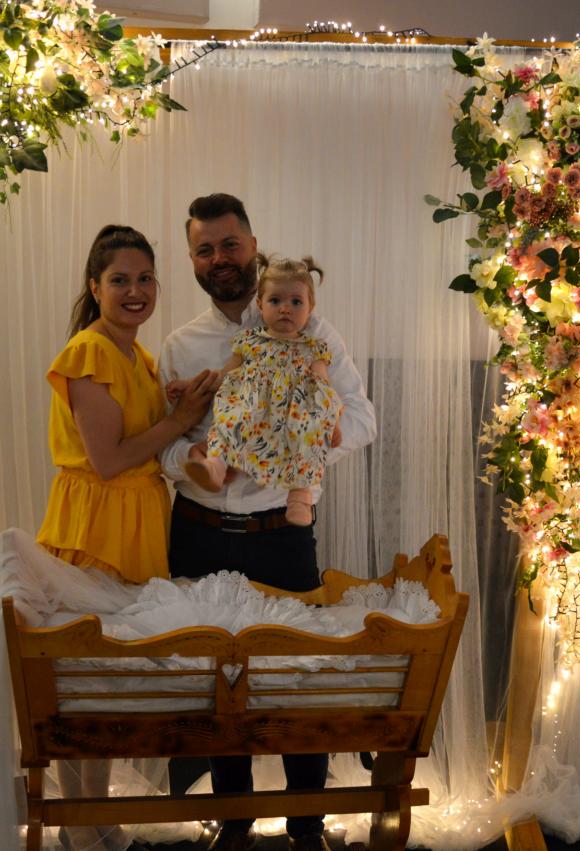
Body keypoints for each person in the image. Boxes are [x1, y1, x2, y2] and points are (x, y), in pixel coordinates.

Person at [159, 195, 377, 851]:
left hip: (281, 531)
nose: (219, 259)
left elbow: (361, 421)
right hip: (198, 531)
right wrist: (192, 460)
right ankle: (234, 824)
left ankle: (307, 825)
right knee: (219, 682)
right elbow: (164, 441)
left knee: (297, 676)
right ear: (192, 259)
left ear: (253, 246)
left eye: (230, 244)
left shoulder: (313, 331)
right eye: (205, 249)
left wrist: (286, 452)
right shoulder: (181, 345)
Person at [36, 224, 216, 850]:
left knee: (108, 685)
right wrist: (180, 418)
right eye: (120, 280)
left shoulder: (137, 355)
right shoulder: (89, 352)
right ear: (95, 287)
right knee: (84, 683)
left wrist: (181, 405)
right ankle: (79, 828)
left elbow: (147, 436)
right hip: (98, 523)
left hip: (136, 522)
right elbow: (109, 460)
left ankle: (96, 819)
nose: (135, 291)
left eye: (145, 279)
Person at [168, 254, 341, 526]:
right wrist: (190, 384)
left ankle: (299, 495)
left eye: (296, 302)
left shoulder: (313, 347)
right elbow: (222, 376)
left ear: (310, 307)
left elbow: (324, 387)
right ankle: (216, 467)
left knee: (307, 433)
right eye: (275, 301)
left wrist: (331, 422)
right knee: (230, 419)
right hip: (252, 407)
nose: (285, 309)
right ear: (260, 305)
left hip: (294, 413)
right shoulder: (249, 341)